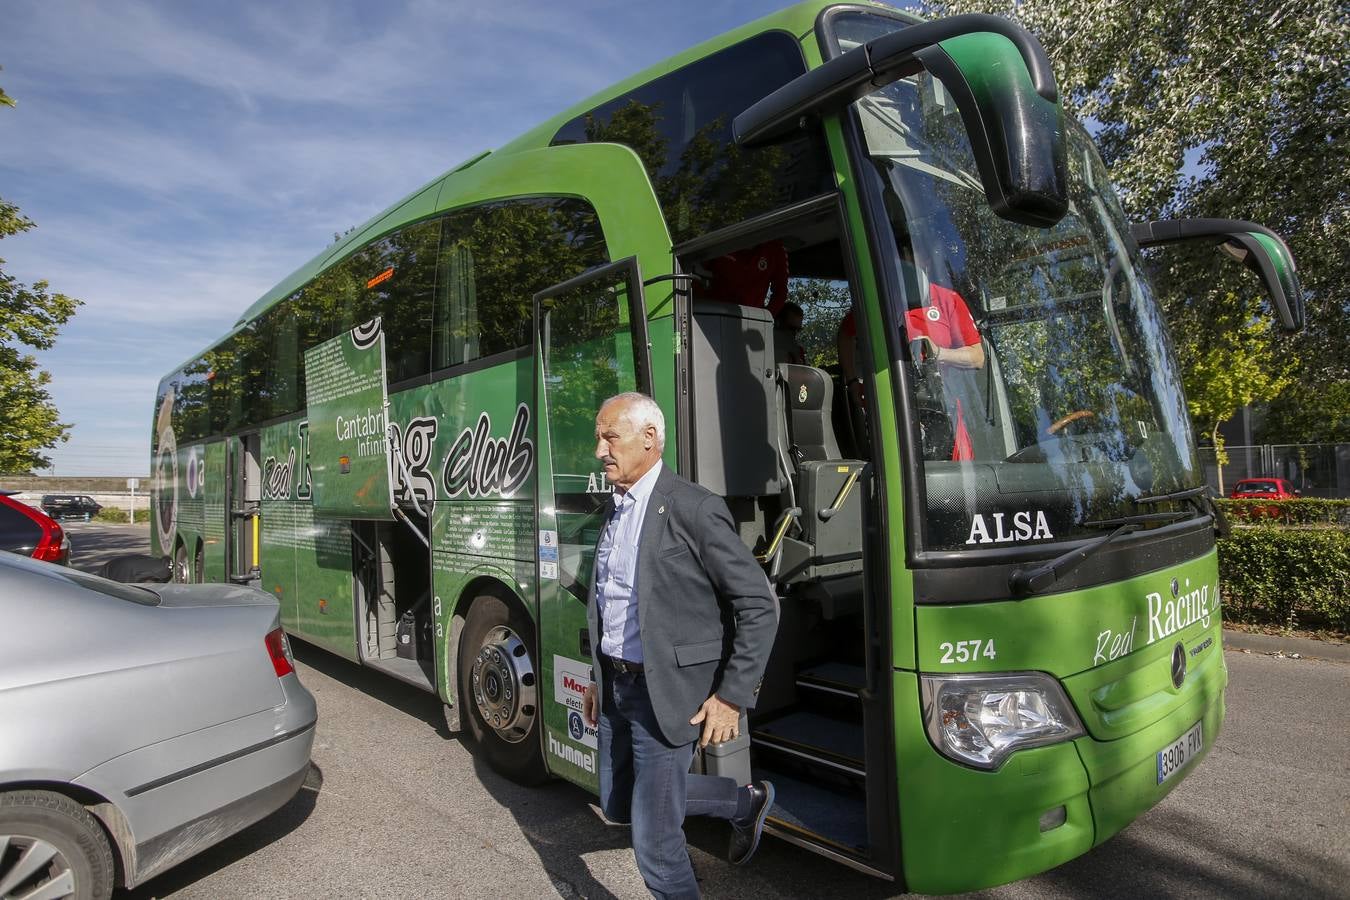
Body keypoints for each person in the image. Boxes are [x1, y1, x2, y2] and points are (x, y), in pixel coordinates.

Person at [581, 392, 779, 899]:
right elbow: (612, 600)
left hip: (667, 690)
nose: (600, 449)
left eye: (610, 436)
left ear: (649, 438)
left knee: (654, 839)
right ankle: (743, 803)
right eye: (599, 437)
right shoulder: (615, 508)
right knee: (620, 801)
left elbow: (758, 604)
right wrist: (596, 676)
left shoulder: (693, 507)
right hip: (617, 685)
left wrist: (732, 694)